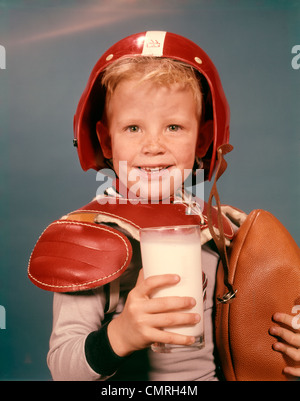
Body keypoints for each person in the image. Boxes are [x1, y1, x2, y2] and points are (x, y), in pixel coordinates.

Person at [28, 31, 300, 381]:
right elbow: (64, 369)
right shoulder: (88, 236)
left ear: (202, 140)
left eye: (173, 126)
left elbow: (254, 338)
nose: (153, 145)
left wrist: (288, 347)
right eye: (133, 128)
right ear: (106, 140)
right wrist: (121, 335)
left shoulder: (226, 233)